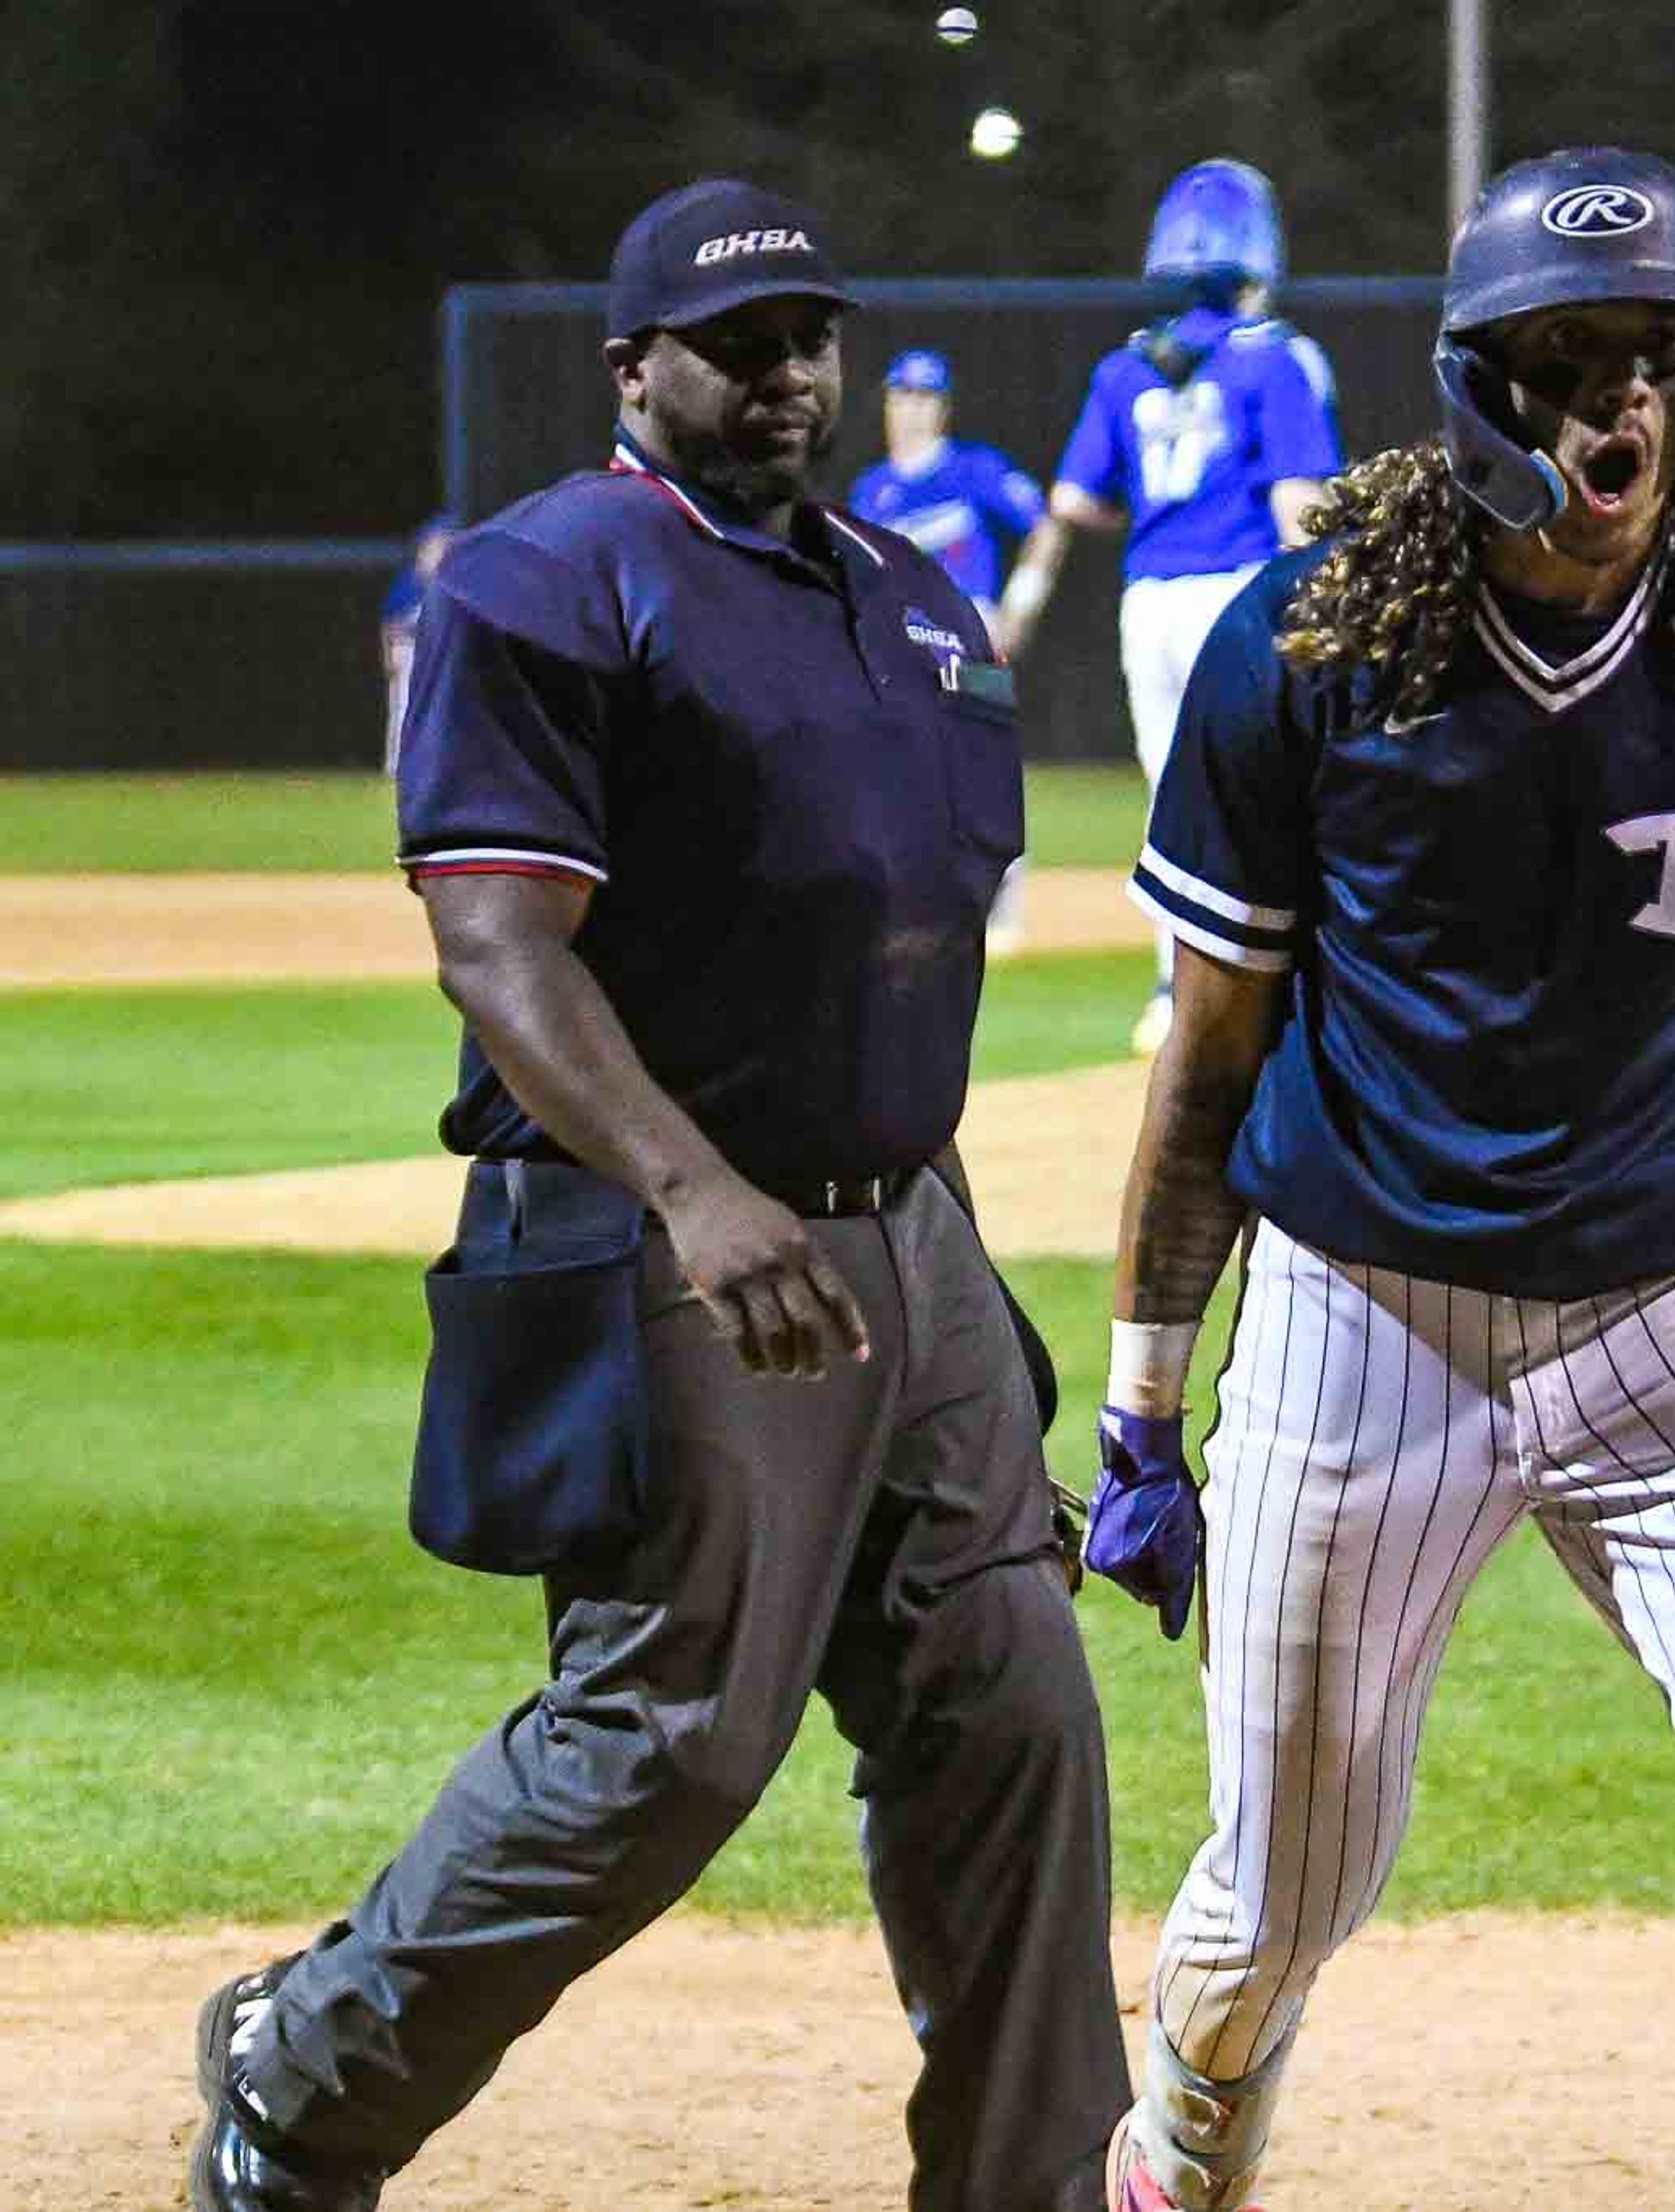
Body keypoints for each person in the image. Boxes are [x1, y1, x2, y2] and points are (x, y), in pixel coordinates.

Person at [1076, 147, 1675, 2212]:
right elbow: (1209, 1064)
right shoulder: (1302, 654)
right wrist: (1144, 1404)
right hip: (1355, 1320)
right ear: (1476, 386)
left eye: (1665, 357)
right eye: (1576, 359)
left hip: (1664, 1333)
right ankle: (1180, 2149)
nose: (1627, 405)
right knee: (1279, 1885)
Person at [186, 178, 1124, 2212]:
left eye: (815, 334)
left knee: (1016, 1707)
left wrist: (973, 1320)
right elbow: (502, 947)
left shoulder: (917, 601)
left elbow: (895, 971)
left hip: (907, 1238)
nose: (792, 369)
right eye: (741, 339)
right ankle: (299, 2075)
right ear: (636, 369)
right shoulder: (544, 581)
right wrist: (698, 1196)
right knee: (671, 1739)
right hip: (672, 1231)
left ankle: (1028, 2185)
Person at [991, 156, 1343, 1055]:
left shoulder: (1125, 367)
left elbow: (1075, 502)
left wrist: (1152, 506)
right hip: (1240, 594)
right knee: (1280, 789)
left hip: (1149, 601)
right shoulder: (1276, 358)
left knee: (1170, 800)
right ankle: (1290, 985)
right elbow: (1296, 507)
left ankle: (1169, 991)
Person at [850, 347, 1054, 953]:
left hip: (972, 633)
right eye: (903, 396)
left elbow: (1042, 526)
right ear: (887, 403)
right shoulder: (873, 490)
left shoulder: (974, 469)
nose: (913, 410)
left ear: (944, 407)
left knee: (985, 766)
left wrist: (1020, 604)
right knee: (903, 771)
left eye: (925, 397)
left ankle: (1004, 907)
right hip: (902, 644)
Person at [376, 513, 458, 776]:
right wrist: (388, 654)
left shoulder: (452, 584)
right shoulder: (409, 583)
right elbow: (389, 622)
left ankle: (439, 767)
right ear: (423, 547)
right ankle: (396, 766)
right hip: (408, 649)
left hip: (438, 652)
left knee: (444, 711)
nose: (441, 550)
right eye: (437, 544)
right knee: (403, 708)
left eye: (446, 545)